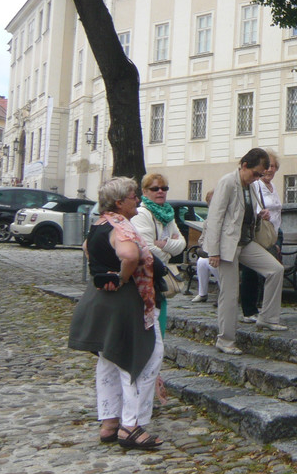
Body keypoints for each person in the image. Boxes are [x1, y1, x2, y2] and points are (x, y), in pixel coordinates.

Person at [68, 177, 165, 449]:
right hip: (126, 303)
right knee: (142, 359)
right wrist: (122, 277)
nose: (139, 199)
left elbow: (88, 250)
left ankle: (109, 423)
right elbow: (130, 254)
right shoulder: (121, 225)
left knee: (109, 361)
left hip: (100, 302)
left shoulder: (98, 224)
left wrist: (106, 274)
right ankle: (131, 427)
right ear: (120, 202)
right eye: (134, 196)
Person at [205, 148, 288, 355]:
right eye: (256, 173)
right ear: (244, 166)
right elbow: (214, 218)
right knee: (230, 293)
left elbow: (246, 213)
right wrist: (213, 251)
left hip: (245, 242)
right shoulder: (228, 182)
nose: (258, 178)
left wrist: (261, 215)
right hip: (227, 246)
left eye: (261, 174)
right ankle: (225, 340)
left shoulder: (249, 185)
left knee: (275, 270)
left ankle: (267, 318)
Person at [132, 172, 186, 335]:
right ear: (145, 191)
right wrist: (169, 250)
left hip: (159, 277)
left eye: (164, 188)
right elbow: (147, 249)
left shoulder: (167, 214)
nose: (160, 191)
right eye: (155, 188)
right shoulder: (142, 214)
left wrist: (164, 244)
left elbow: (182, 244)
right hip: (145, 277)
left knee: (159, 323)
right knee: (147, 326)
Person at [239, 151, 283, 322]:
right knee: (252, 271)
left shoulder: (273, 187)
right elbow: (252, 207)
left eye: (272, 166)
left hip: (273, 232)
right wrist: (261, 215)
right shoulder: (256, 185)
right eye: (267, 166)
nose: (269, 170)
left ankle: (267, 311)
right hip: (259, 233)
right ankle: (250, 310)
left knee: (273, 270)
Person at [192, 190, 217, 303]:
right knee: (202, 261)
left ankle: (224, 292)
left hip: (222, 254)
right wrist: (204, 246)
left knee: (213, 263)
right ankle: (202, 294)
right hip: (209, 252)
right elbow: (201, 239)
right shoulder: (208, 221)